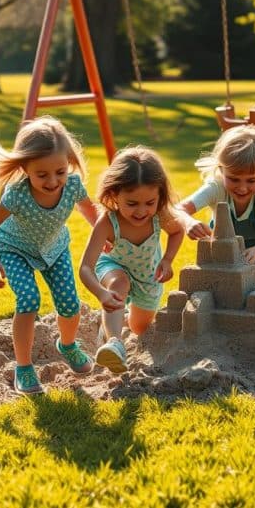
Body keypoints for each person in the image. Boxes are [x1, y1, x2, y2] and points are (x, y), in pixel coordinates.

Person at [0, 117, 101, 395]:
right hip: (14, 250)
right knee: (29, 299)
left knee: (70, 305)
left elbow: (89, 211)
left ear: (69, 162)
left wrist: (103, 234)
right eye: (42, 174)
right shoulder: (17, 195)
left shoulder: (72, 186)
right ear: (25, 168)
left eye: (59, 171)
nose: (53, 181)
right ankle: (23, 367)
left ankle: (67, 345)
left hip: (54, 249)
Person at [79, 146, 186, 373]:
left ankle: (110, 325)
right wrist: (102, 293)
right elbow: (86, 267)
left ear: (160, 197)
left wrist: (167, 260)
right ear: (114, 195)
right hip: (113, 266)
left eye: (149, 202)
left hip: (149, 274)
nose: (141, 211)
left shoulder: (160, 216)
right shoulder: (108, 222)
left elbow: (178, 231)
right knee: (120, 285)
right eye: (132, 203)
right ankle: (115, 343)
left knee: (139, 327)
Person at [176, 124, 255, 302]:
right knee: (217, 283)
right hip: (227, 253)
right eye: (233, 179)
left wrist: (254, 253)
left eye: (251, 180)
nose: (242, 188)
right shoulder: (215, 188)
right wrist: (188, 222)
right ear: (221, 170)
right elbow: (178, 209)